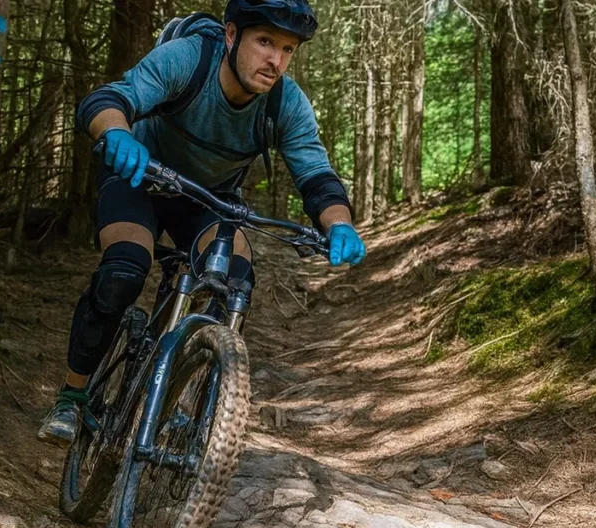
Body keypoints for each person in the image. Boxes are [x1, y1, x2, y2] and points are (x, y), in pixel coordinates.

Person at [37, 0, 365, 446]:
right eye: (265, 41)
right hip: (139, 176)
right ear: (232, 35)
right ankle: (72, 398)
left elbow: (317, 175)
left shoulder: (285, 103)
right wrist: (116, 133)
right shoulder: (190, 59)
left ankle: (177, 398)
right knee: (124, 271)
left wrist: (339, 224)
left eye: (287, 49)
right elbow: (111, 98)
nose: (275, 60)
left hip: (208, 199)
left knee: (234, 278)